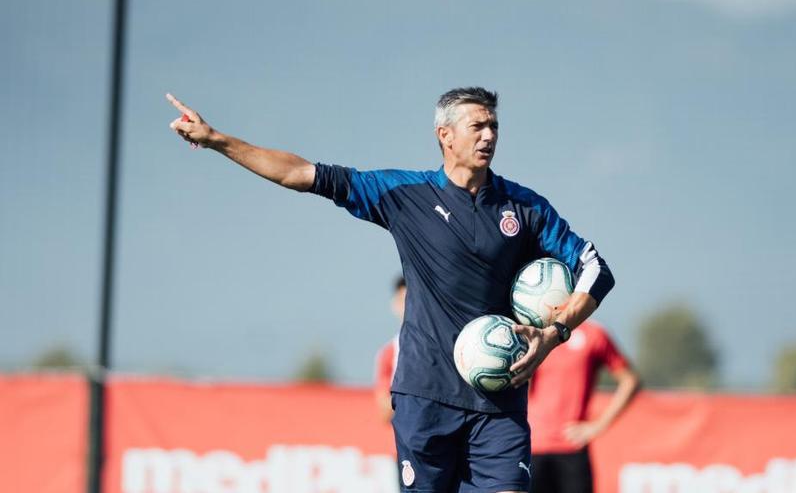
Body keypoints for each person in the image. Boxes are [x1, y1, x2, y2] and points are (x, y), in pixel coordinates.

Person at [166, 87, 614, 493]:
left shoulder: (526, 208)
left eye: (494, 125)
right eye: (477, 125)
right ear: (446, 135)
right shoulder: (405, 194)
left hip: (500, 405)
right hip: (425, 397)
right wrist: (217, 140)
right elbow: (301, 174)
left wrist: (554, 333)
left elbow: (596, 269)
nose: (488, 135)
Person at [528, 320, 640, 493]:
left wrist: (597, 426)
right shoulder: (532, 331)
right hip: (530, 447)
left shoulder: (593, 334)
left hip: (571, 447)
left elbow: (630, 380)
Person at [375, 275, 407, 422]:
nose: (407, 307)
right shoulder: (389, 353)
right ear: (394, 304)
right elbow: (385, 412)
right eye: (403, 301)